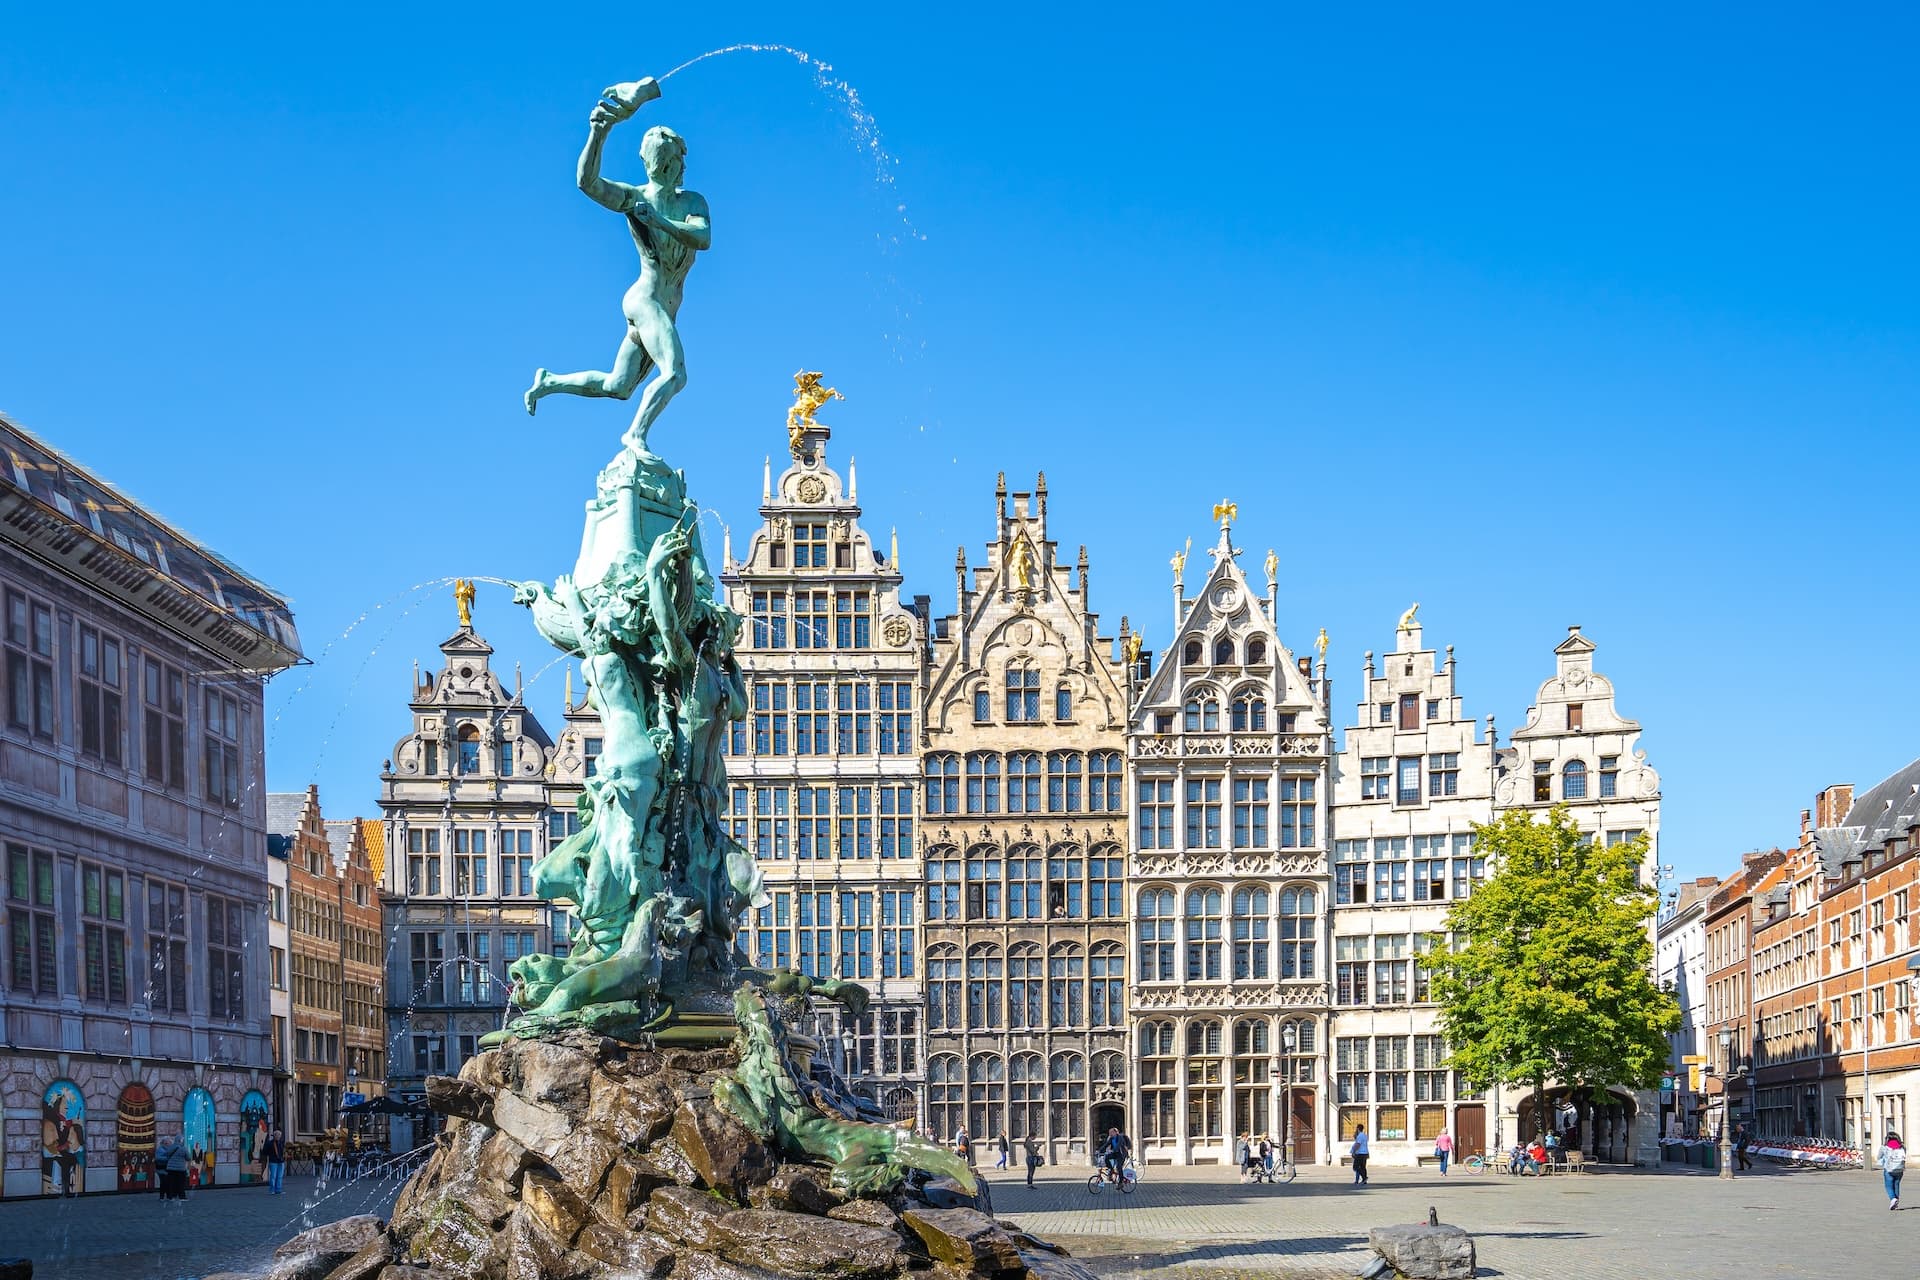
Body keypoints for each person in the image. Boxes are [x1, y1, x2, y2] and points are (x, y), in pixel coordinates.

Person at [524, 78, 712, 458]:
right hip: (644, 301)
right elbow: (587, 183)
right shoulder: (634, 198)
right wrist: (599, 132)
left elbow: (702, 237)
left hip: (662, 308)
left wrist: (659, 222)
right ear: (663, 163)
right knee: (675, 373)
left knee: (618, 386)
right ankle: (635, 437)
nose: (682, 165)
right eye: (676, 159)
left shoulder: (692, 202)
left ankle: (549, 381)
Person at [1881, 1131, 1906, 1210]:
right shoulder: (1902, 1147)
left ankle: (1893, 1199)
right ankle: (1896, 1203)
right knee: (1896, 1185)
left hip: (1889, 1169)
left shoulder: (1885, 1147)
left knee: (1888, 1186)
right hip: (1899, 1169)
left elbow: (1879, 1157)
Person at [264, 1129, 288, 1195]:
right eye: (277, 1135)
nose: (278, 1136)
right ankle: (272, 1190)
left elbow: (283, 1151)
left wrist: (284, 1156)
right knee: (273, 1176)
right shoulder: (270, 1143)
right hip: (273, 1161)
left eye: (279, 1135)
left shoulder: (281, 1142)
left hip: (281, 1161)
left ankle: (278, 1190)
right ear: (274, 1136)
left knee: (279, 1176)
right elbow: (265, 1151)